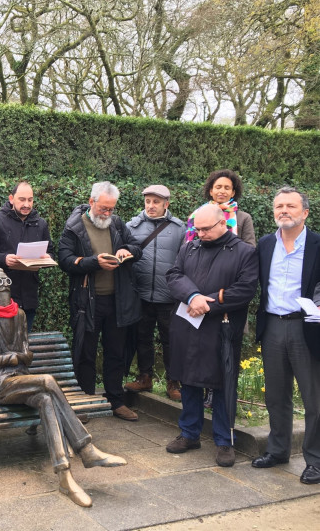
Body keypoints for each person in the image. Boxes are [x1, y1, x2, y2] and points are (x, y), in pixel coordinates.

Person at [0, 268, 126, 508]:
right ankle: (85, 447)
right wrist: (15, 357)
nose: (4, 285)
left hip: (21, 380)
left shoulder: (19, 313)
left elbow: (28, 356)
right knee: (47, 381)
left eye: (6, 280)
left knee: (46, 399)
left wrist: (19, 357)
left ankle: (65, 476)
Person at [165, 203, 257, 467]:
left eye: (205, 229)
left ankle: (224, 440)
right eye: (197, 228)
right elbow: (173, 275)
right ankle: (189, 433)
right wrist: (192, 296)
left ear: (222, 224)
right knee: (189, 379)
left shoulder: (244, 252)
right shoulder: (189, 247)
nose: (200, 233)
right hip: (188, 324)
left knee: (222, 383)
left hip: (221, 327)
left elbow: (245, 289)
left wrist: (210, 304)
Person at [58, 182, 142, 422]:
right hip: (87, 301)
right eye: (104, 208)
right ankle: (84, 402)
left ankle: (116, 401)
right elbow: (65, 260)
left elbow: (138, 248)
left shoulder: (116, 224)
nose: (107, 214)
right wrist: (95, 262)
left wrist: (128, 251)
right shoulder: (74, 227)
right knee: (85, 352)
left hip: (118, 301)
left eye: (111, 209)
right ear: (92, 201)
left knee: (116, 352)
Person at [252, 187, 320, 485]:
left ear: (305, 212)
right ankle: (278, 450)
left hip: (307, 327)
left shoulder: (318, 244)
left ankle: (315, 460)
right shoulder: (266, 244)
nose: (284, 210)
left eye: (290, 206)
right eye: (279, 206)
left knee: (314, 399)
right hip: (273, 327)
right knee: (276, 395)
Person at [124, 185, 185, 400]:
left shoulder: (180, 229)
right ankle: (145, 377)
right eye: (147, 201)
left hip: (169, 296)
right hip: (140, 294)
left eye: (156, 202)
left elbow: (184, 260)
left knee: (171, 339)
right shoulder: (131, 226)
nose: (150, 206)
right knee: (142, 337)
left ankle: (173, 382)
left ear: (166, 204)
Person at [0, 181, 54, 331]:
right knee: (1, 344)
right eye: (22, 199)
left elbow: (51, 253)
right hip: (1, 296)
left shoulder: (40, 224)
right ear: (11, 198)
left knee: (23, 345)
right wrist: (4, 259)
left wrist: (45, 259)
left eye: (30, 199)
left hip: (29, 297)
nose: (26, 204)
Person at [185, 169, 256, 247]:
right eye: (218, 187)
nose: (222, 191)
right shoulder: (197, 215)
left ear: (233, 193)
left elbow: (250, 247)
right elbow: (187, 246)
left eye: (227, 188)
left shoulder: (244, 218)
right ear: (211, 191)